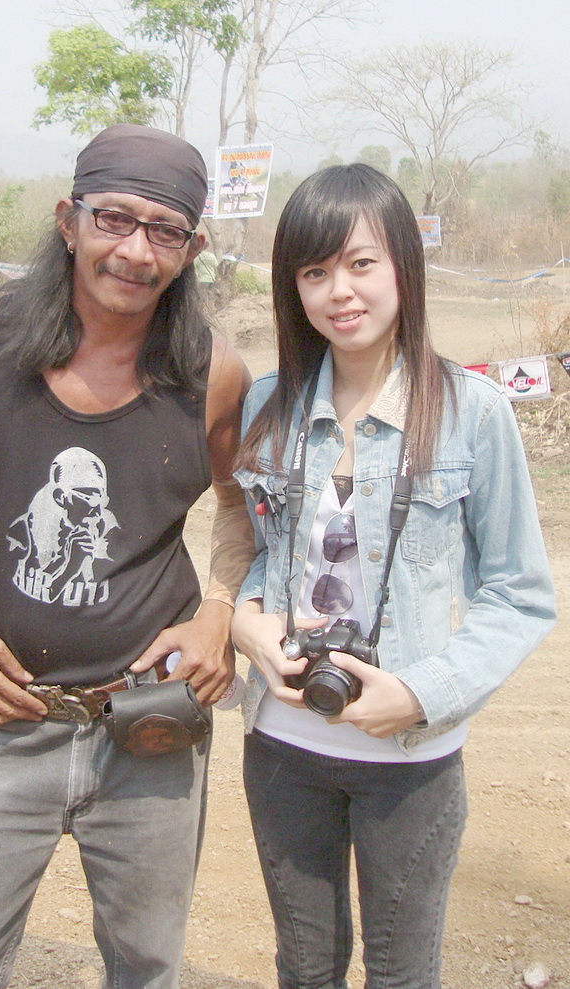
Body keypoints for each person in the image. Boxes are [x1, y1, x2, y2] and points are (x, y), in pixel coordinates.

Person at [0, 123, 254, 989]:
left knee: (147, 966)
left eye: (165, 230)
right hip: (2, 719)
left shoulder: (213, 374)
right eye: (113, 218)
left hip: (152, 725)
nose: (136, 250)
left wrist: (218, 611)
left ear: (192, 251)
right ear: (67, 220)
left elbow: (238, 508)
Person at [230, 164, 556, 989]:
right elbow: (269, 549)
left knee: (404, 973)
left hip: (412, 756)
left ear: (404, 265)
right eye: (314, 271)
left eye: (361, 263)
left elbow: (520, 593)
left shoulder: (472, 411)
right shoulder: (267, 404)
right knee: (305, 967)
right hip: (283, 747)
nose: (339, 290)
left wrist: (420, 694)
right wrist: (246, 616)